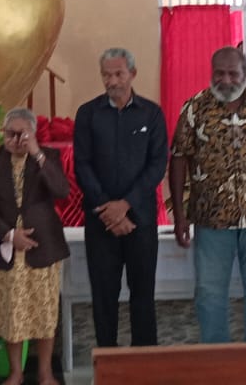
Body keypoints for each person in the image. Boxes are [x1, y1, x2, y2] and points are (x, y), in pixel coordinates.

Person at [168, 46, 246, 343]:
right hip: (212, 218)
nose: (225, 79)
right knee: (209, 290)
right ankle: (216, 362)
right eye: (219, 73)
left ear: (245, 75)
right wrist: (180, 216)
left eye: (233, 73)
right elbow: (179, 158)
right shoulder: (195, 108)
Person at [71, 48, 167, 348]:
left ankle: (146, 368)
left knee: (142, 296)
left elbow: (157, 165)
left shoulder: (151, 114)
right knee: (103, 298)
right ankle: (108, 366)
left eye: (118, 74)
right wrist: (108, 211)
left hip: (140, 220)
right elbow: (82, 164)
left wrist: (125, 206)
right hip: (101, 222)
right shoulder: (88, 114)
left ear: (132, 74)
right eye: (106, 75)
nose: (112, 81)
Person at [0, 108, 69, 385]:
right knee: (10, 314)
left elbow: (62, 191)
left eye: (21, 134)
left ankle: (45, 373)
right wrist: (7, 234)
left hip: (43, 247)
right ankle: (15, 373)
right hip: (6, 249)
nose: (15, 139)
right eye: (10, 133)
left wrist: (37, 153)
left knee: (44, 311)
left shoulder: (48, 157)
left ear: (32, 134)